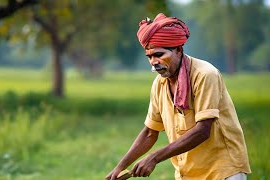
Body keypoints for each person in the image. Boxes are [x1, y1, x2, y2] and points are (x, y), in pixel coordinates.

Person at [105, 13, 251, 180]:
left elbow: (202, 131)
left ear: (178, 50)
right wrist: (119, 167)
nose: (153, 62)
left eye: (159, 55)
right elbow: (149, 132)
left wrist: (154, 157)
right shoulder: (159, 84)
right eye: (149, 57)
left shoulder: (205, 75)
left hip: (223, 170)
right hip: (188, 173)